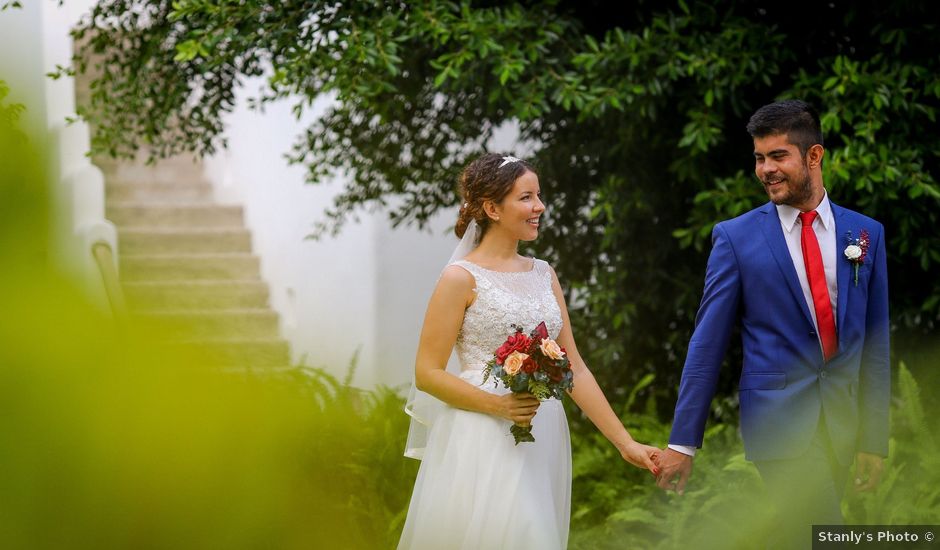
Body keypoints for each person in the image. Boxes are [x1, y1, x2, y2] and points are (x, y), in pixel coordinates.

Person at [656, 100, 890, 548]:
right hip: (779, 426)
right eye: (759, 159)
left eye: (778, 156)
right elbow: (707, 343)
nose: (766, 169)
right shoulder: (736, 238)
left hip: (842, 424)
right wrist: (683, 442)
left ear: (814, 156)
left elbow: (876, 346)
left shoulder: (865, 235)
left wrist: (872, 439)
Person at [398, 153, 659, 550]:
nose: (540, 207)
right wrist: (497, 405)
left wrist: (626, 443)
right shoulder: (459, 278)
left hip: (542, 432)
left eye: (539, 195)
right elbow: (427, 373)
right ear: (491, 208)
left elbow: (575, 369)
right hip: (481, 436)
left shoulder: (543, 273)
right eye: (526, 197)